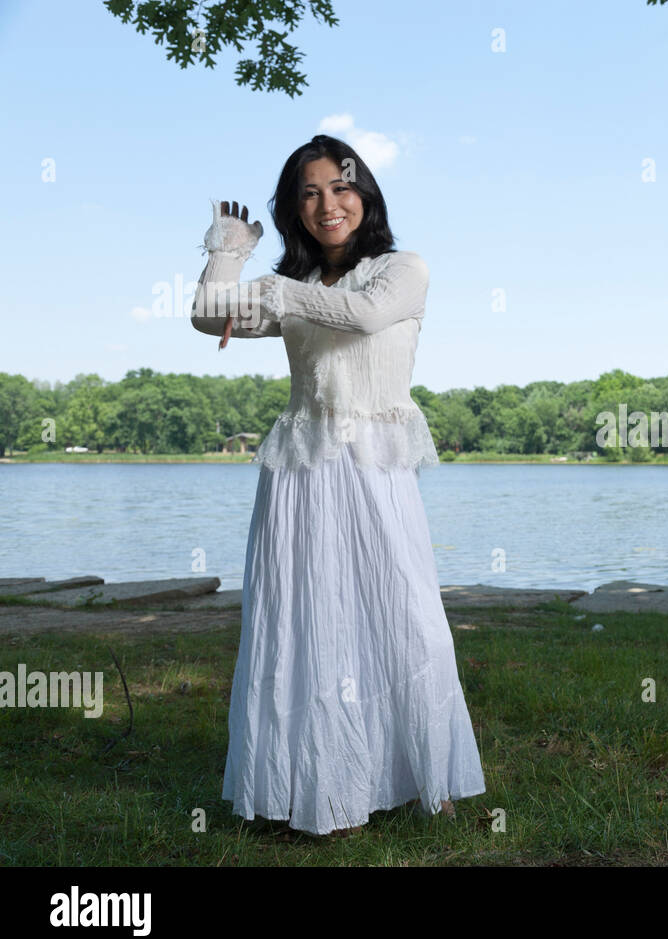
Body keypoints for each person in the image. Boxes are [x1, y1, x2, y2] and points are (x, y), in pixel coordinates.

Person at [190, 134, 486, 837]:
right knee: (308, 623)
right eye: (310, 193)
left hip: (376, 469)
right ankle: (328, 791)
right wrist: (229, 249)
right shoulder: (292, 291)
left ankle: (427, 776)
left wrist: (270, 289)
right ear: (295, 210)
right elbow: (208, 315)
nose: (328, 203)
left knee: (405, 619)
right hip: (302, 470)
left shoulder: (401, 270)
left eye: (341, 187)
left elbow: (362, 316)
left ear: (366, 194)